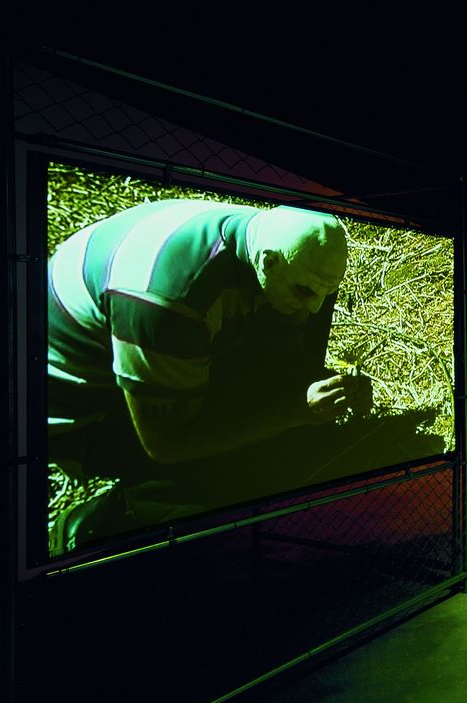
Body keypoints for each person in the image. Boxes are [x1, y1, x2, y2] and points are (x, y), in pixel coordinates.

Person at [48, 199, 374, 548]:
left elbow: (286, 355)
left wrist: (320, 385)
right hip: (81, 409)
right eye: (306, 292)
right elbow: (167, 443)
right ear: (269, 262)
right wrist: (293, 412)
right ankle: (113, 520)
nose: (315, 306)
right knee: (230, 475)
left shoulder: (271, 247)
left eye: (327, 293)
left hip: (143, 350)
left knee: (268, 432)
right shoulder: (171, 303)